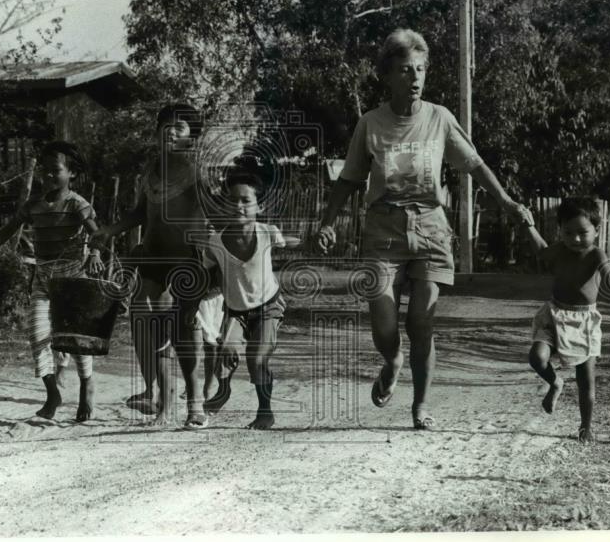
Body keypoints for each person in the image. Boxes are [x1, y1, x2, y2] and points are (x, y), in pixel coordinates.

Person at [316, 28, 527, 429]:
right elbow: (349, 180)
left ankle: (420, 407)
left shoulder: (440, 118)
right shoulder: (371, 124)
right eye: (404, 70)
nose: (414, 78)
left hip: (430, 228)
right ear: (387, 75)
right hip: (383, 231)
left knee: (422, 322)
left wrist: (507, 202)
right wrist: (327, 223)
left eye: (420, 69)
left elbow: (475, 165)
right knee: (384, 324)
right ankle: (391, 359)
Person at [92, 104, 211, 428]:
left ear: (192, 137)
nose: (171, 130)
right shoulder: (150, 170)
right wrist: (110, 230)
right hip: (153, 258)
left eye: (181, 127)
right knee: (149, 317)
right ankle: (163, 403)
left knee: (183, 330)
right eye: (165, 125)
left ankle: (195, 402)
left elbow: (212, 213)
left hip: (187, 258)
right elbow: (140, 214)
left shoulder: (195, 171)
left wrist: (214, 255)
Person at [0, 141, 103, 422]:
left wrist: (96, 252)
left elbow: (97, 233)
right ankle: (52, 393)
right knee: (37, 335)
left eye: (56, 170)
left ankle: (86, 384)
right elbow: (9, 228)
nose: (49, 176)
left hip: (73, 278)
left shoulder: (78, 204)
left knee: (76, 341)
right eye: (45, 171)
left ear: (72, 173)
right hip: (42, 277)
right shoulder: (34, 205)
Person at [518, 198, 610, 443]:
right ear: (560, 230)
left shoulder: (596, 254)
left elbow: (609, 276)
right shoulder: (560, 249)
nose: (575, 239)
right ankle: (555, 382)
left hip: (584, 322)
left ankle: (585, 428)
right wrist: (529, 226)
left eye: (582, 233)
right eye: (568, 232)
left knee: (585, 380)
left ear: (597, 231)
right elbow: (541, 252)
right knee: (537, 357)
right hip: (554, 313)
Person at [199, 170, 299, 429]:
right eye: (233, 200)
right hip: (235, 311)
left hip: (268, 307)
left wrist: (309, 240)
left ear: (259, 205)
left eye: (246, 201)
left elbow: (288, 242)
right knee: (226, 352)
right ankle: (223, 392)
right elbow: (208, 270)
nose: (239, 206)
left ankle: (265, 411)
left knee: (257, 359)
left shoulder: (267, 233)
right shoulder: (216, 242)